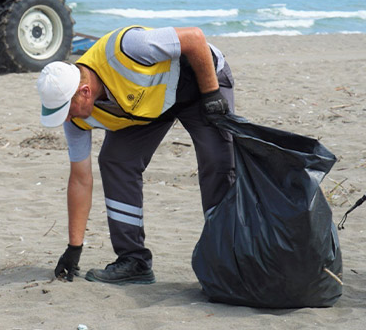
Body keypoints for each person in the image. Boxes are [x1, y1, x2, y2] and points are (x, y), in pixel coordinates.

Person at [36, 25, 235, 284]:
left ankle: (228, 259)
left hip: (200, 78)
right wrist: (75, 247)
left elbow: (195, 39)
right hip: (151, 104)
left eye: (67, 109)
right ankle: (134, 260)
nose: (67, 118)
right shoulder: (75, 119)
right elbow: (80, 178)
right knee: (116, 161)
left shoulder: (128, 48)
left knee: (218, 162)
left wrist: (211, 94)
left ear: (84, 92)